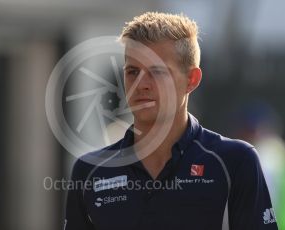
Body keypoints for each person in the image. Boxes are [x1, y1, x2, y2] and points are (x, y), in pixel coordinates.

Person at [64, 12, 278, 230]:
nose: (141, 84)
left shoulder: (235, 162)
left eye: (157, 72)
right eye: (133, 71)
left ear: (191, 80)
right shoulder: (89, 170)